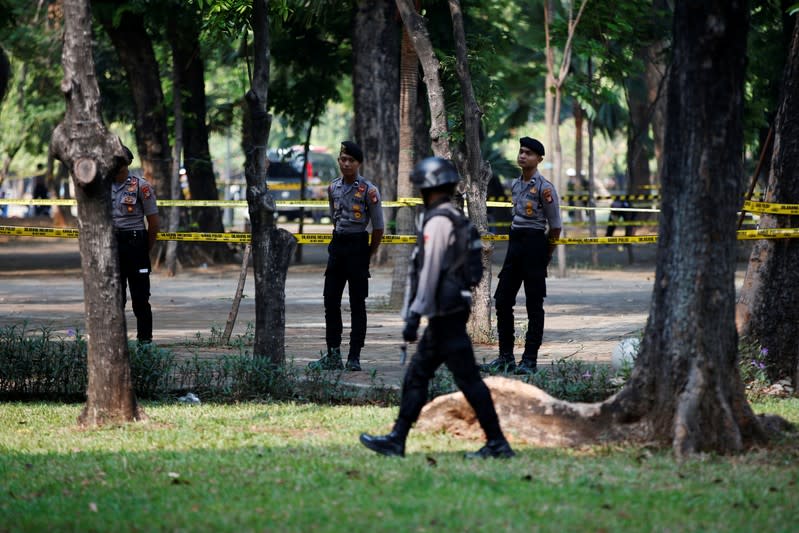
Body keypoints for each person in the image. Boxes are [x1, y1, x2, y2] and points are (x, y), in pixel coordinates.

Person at [360, 157, 515, 459]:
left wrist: (414, 314)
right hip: (450, 311)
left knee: (465, 380)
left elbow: (430, 271)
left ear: (428, 188)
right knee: (421, 375)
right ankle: (397, 438)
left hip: (445, 314)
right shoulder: (453, 217)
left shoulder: (439, 221)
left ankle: (497, 443)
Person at [482, 137, 562, 375]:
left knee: (534, 305)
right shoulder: (516, 186)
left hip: (535, 244)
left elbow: (555, 226)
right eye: (521, 151)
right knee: (503, 300)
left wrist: (546, 254)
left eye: (528, 153)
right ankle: (505, 357)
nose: (522, 155)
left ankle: (529, 360)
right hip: (515, 245)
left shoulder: (545, 188)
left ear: (539, 159)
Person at [309, 141, 384, 372]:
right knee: (330, 302)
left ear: (359, 163)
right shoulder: (333, 188)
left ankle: (354, 356)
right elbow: (335, 216)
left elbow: (379, 227)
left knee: (357, 304)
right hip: (338, 247)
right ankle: (333, 355)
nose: (346, 163)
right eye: (343, 159)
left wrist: (368, 253)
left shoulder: (369, 191)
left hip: (358, 246)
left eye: (351, 160)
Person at [112, 146, 160, 344]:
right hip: (111, 245)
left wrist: (143, 249)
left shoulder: (141, 186)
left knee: (140, 299)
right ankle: (115, 343)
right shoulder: (101, 186)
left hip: (136, 243)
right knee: (115, 299)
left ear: (126, 164)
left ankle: (145, 342)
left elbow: (154, 222)